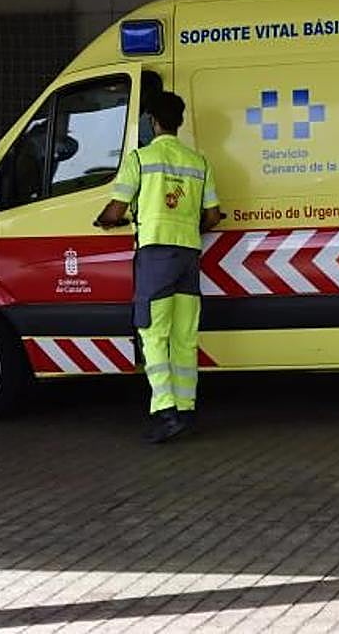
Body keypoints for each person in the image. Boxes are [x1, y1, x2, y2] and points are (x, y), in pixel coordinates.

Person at [95, 92, 222, 444]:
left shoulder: (141, 158)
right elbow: (212, 216)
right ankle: (187, 410)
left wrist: (104, 221)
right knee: (184, 338)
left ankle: (165, 413)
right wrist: (185, 229)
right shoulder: (199, 162)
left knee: (153, 336)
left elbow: (115, 210)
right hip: (188, 258)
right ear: (179, 122)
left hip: (155, 258)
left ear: (153, 123)